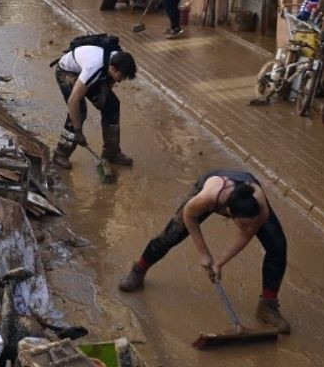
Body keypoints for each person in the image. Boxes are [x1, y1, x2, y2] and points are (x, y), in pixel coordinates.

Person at [117, 169, 292, 334]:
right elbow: (189, 215)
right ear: (229, 213)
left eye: (251, 223)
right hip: (214, 183)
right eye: (244, 223)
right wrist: (204, 253)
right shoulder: (207, 198)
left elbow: (246, 235)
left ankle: (267, 306)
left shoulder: (260, 209)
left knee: (278, 246)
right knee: (171, 234)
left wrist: (220, 263)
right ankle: (138, 271)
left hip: (244, 190)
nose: (249, 227)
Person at [51, 39, 137, 169]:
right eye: (122, 76)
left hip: (91, 71)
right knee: (79, 110)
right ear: (113, 69)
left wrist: (104, 95)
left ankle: (111, 152)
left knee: (112, 105)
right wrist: (78, 131)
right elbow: (73, 101)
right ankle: (61, 153)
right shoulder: (94, 68)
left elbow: (112, 79)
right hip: (68, 72)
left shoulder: (117, 58)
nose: (121, 80)